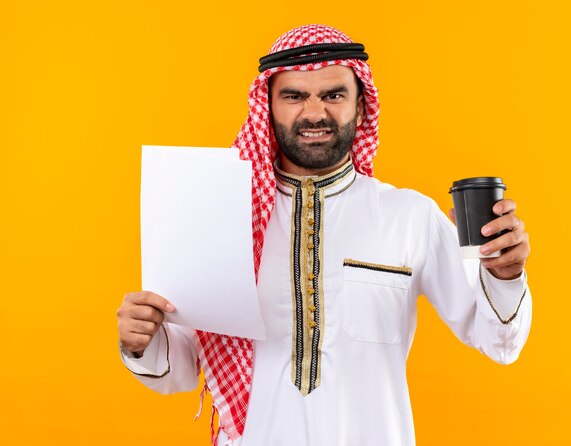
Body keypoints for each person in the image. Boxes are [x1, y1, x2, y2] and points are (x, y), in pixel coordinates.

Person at [117, 24, 532, 446]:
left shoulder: (410, 216)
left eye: (333, 95)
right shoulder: (219, 215)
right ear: (268, 106)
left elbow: (499, 343)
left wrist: (505, 274)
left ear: (360, 105)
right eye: (294, 96)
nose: (314, 113)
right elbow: (183, 369)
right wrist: (141, 341)